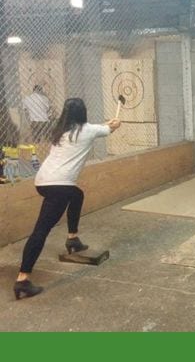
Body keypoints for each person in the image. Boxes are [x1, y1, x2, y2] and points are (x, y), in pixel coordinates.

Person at [13, 98, 121, 300]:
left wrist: (107, 124)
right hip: (59, 186)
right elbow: (110, 128)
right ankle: (22, 280)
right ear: (83, 113)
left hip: (43, 181)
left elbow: (102, 127)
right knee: (41, 231)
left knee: (77, 194)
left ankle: (73, 239)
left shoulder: (61, 131)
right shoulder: (87, 130)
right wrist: (114, 123)